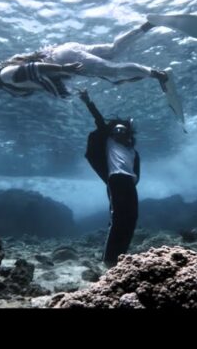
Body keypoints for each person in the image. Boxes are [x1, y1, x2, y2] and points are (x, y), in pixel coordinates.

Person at [0, 20, 171, 99]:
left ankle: (156, 73)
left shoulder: (6, 75)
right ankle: (146, 26)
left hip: (62, 59)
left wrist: (64, 68)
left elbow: (35, 68)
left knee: (112, 70)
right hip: (65, 48)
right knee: (113, 50)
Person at [79, 88, 140, 267]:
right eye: (116, 130)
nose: (119, 133)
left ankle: (121, 257)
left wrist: (134, 181)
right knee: (118, 217)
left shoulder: (132, 150)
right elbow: (99, 120)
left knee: (132, 217)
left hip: (130, 182)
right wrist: (88, 101)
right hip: (116, 180)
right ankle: (109, 260)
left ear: (128, 133)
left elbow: (137, 170)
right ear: (112, 133)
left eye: (123, 130)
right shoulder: (109, 142)